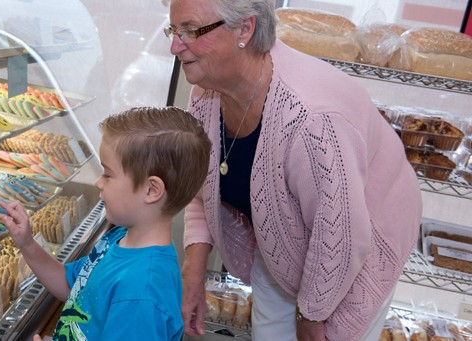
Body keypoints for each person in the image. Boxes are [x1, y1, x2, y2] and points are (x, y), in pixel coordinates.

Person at [164, 0, 423, 340]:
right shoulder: (205, 95)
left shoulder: (312, 119)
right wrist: (193, 273)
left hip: (359, 244)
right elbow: (203, 186)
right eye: (173, 30)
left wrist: (310, 317)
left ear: (245, 29)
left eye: (190, 31)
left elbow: (341, 238)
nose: (174, 45)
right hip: (282, 239)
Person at [0, 106, 212, 340]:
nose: (98, 182)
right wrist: (27, 243)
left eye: (108, 174)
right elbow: (72, 287)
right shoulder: (117, 238)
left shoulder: (141, 295)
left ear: (152, 190)